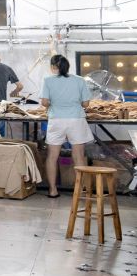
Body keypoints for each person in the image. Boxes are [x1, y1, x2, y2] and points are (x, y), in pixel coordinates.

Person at [40, 55, 92, 199]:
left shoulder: (47, 80)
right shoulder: (80, 80)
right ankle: (78, 191)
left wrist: (55, 103)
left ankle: (53, 190)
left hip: (56, 120)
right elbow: (86, 104)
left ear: (53, 67)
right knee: (78, 156)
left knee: (52, 156)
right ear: (67, 66)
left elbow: (44, 102)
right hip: (76, 120)